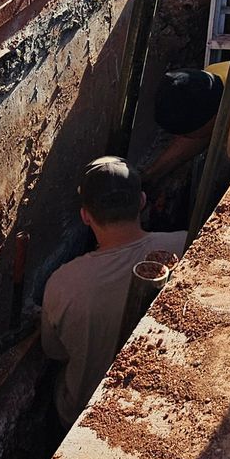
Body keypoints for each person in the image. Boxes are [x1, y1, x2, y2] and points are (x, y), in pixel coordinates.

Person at [40, 157, 186, 424]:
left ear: (85, 216)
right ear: (141, 201)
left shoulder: (63, 283)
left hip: (81, 417)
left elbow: (54, 352)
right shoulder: (186, 246)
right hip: (161, 410)